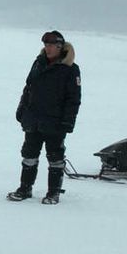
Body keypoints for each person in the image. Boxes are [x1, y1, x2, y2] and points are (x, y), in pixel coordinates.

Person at [8, 30, 81, 204]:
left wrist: (67, 122)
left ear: (59, 47)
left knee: (55, 158)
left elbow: (73, 100)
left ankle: (53, 193)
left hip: (55, 122)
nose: (47, 48)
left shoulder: (70, 69)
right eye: (45, 45)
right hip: (33, 120)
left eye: (51, 45)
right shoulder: (38, 63)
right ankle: (25, 189)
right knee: (29, 155)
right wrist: (22, 110)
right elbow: (28, 88)